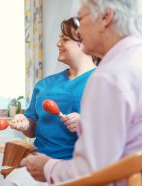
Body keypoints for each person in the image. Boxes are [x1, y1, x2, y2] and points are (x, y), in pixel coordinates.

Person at [20, 0, 142, 185]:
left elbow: (90, 172)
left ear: (105, 17)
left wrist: (45, 167)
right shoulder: (134, 60)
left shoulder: (109, 76)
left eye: (80, 18)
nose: (79, 31)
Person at [2, 17, 98, 186]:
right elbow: (32, 128)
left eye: (65, 39)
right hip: (39, 162)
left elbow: (116, 129)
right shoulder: (44, 85)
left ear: (84, 43)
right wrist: (26, 124)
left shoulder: (102, 80)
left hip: (77, 167)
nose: (58, 43)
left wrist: (85, 122)